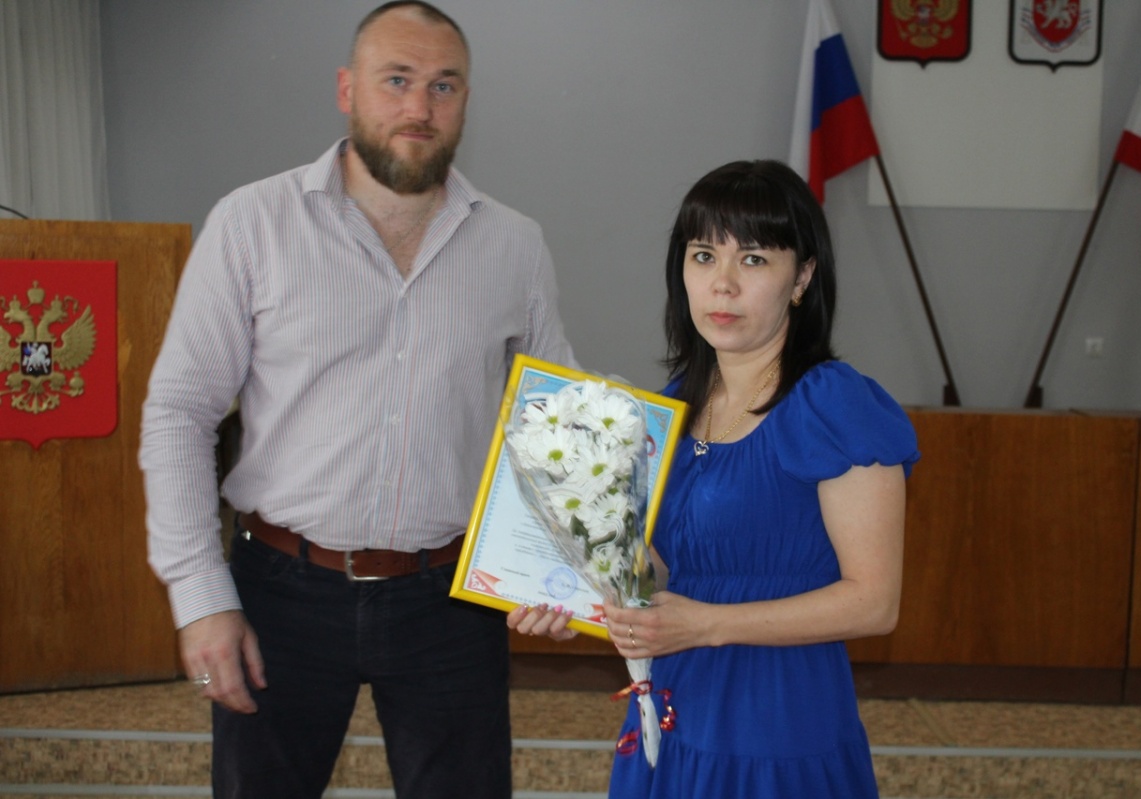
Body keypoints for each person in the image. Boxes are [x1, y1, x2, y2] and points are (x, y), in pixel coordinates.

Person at [139, 3, 574, 797]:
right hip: (280, 591)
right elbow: (178, 412)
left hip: (451, 604)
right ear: (347, 89)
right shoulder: (252, 224)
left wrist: (559, 567)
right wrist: (200, 597)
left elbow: (556, 425)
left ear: (466, 100)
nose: (420, 107)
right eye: (396, 80)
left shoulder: (514, 244)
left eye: (444, 85)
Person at [509, 159, 918, 797]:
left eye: (753, 259)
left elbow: (874, 603)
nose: (722, 284)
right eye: (704, 256)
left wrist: (707, 624)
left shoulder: (834, 405)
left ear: (802, 277)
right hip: (673, 708)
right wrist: (572, 594)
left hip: (776, 721)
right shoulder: (670, 407)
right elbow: (661, 570)